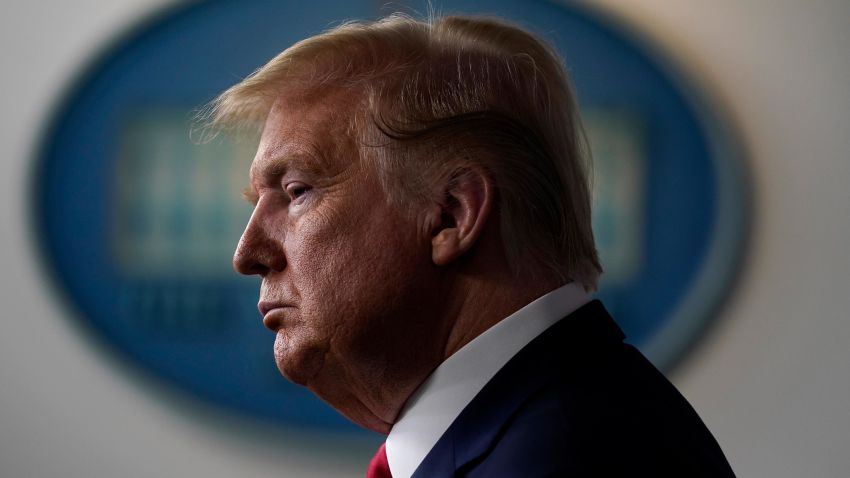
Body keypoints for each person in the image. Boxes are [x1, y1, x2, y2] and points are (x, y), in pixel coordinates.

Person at [209, 13, 736, 478]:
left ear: (452, 214)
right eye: (257, 200)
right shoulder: (569, 422)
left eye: (297, 191)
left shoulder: (567, 459)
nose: (247, 252)